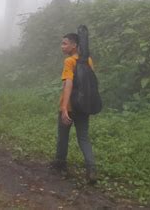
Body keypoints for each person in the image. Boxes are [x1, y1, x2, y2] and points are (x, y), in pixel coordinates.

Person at [50, 33, 97, 184]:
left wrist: (64, 107)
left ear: (74, 45)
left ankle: (60, 164)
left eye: (65, 43)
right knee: (83, 137)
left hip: (70, 106)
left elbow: (68, 83)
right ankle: (91, 168)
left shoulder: (69, 61)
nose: (62, 46)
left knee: (63, 136)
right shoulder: (87, 60)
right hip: (84, 106)